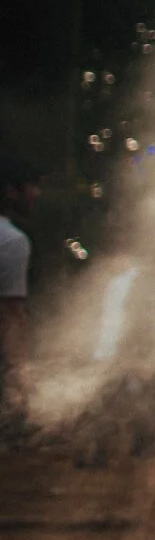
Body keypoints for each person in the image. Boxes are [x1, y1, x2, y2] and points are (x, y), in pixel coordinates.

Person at [0, 156, 37, 431]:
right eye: (30, 186)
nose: (36, 194)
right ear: (11, 191)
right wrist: (21, 376)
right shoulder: (12, 241)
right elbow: (10, 313)